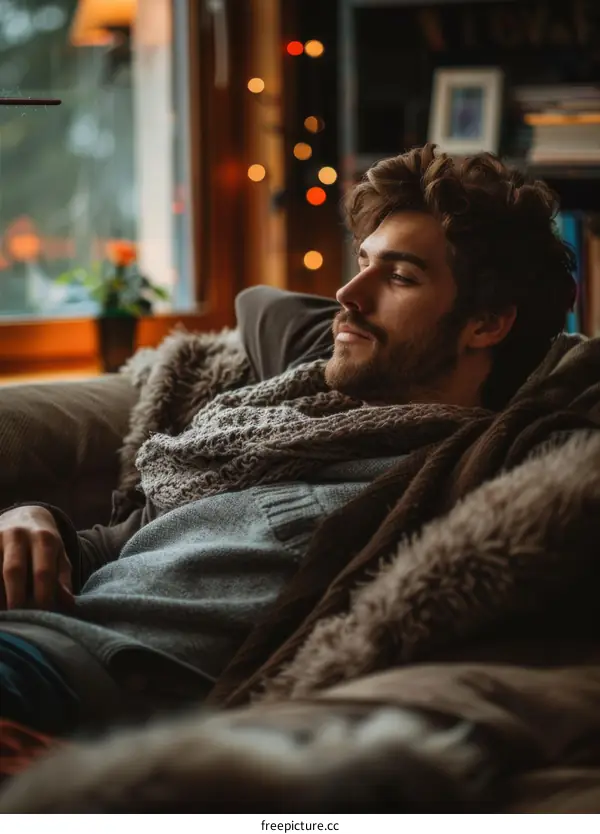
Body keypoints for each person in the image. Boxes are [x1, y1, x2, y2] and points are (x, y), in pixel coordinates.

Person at [0, 144, 577, 737]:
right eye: (361, 261)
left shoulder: (461, 474)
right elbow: (260, 306)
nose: (350, 294)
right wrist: (35, 517)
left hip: (73, 685)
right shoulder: (287, 426)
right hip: (31, 633)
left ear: (486, 323)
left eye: (400, 276)